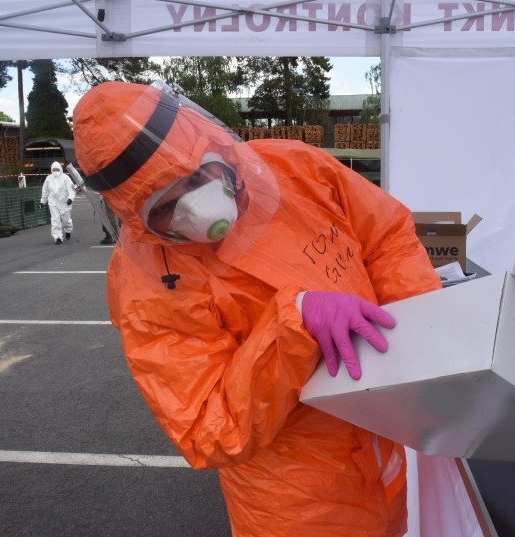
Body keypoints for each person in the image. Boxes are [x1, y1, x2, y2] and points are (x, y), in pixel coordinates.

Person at [72, 81, 441, 537]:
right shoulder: (147, 283)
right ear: (131, 214)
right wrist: (294, 326)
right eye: (165, 206)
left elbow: (385, 236)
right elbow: (208, 426)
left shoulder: (292, 168)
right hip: (294, 498)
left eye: (196, 179)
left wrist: (411, 329)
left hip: (381, 440)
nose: (199, 212)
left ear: (211, 145)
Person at [40, 161, 75, 244]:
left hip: (64, 202)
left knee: (66, 220)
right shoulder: (48, 179)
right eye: (54, 170)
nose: (56, 172)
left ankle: (68, 230)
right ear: (51, 170)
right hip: (53, 202)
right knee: (55, 220)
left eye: (57, 170)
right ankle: (58, 237)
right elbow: (45, 191)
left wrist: (70, 198)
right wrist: (42, 201)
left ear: (60, 169)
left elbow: (71, 190)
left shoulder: (65, 178)